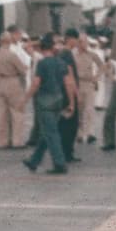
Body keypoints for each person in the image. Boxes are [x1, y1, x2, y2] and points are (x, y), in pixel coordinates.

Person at [22, 38, 76, 174]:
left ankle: (60, 163)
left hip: (45, 101)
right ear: (52, 48)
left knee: (51, 133)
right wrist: (71, 102)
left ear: (41, 49)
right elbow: (69, 83)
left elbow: (36, 83)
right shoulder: (61, 62)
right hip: (58, 100)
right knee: (47, 131)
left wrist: (25, 99)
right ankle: (34, 160)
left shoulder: (42, 63)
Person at [0, 32, 28, 149]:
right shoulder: (12, 55)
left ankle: (3, 141)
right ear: (10, 41)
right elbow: (22, 70)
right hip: (13, 81)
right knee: (17, 112)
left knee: (2, 114)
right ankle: (17, 141)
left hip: (1, 82)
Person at [57, 33, 85, 163]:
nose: (77, 42)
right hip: (68, 93)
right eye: (76, 39)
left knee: (65, 124)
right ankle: (67, 152)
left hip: (63, 92)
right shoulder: (67, 54)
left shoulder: (62, 53)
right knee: (71, 124)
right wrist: (76, 94)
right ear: (70, 39)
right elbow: (70, 76)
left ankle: (65, 151)